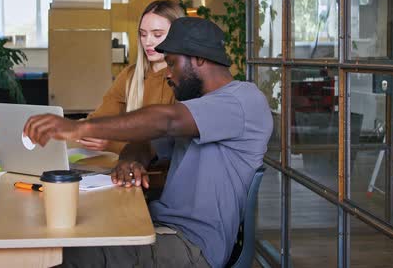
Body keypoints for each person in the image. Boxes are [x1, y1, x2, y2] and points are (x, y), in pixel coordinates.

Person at [24, 17, 274, 268]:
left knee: (61, 256)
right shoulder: (198, 110)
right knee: (61, 240)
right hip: (159, 227)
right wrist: (129, 160)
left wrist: (79, 126)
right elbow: (147, 142)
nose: (168, 73)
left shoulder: (243, 100)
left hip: (192, 247)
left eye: (173, 63)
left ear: (198, 59)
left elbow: (166, 121)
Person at [79, 0, 185, 154]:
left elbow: (172, 145)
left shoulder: (186, 80)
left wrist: (111, 142)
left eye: (157, 34)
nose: (147, 42)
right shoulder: (129, 75)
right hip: (125, 171)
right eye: (143, 34)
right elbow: (103, 116)